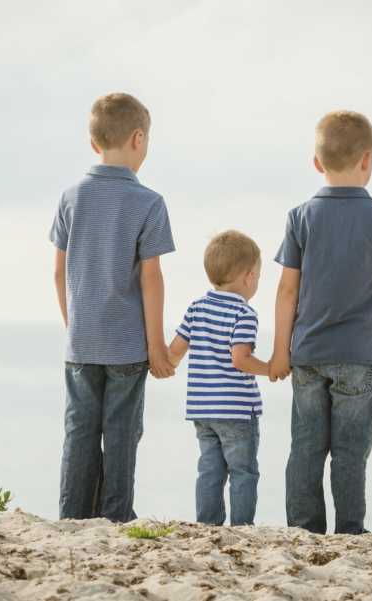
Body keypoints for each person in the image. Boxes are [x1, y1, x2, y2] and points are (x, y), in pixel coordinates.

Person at [269, 110, 372, 534]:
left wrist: (281, 350)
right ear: (368, 160)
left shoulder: (300, 217)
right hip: (358, 357)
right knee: (351, 452)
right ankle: (350, 529)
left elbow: (286, 291)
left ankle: (303, 527)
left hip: (308, 356)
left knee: (306, 448)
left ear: (317, 163)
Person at [50, 92, 176, 522]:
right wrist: (157, 347)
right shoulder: (149, 203)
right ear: (139, 138)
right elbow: (151, 278)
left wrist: (75, 326)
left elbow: (58, 273)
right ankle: (116, 517)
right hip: (127, 346)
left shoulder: (71, 197)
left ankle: (72, 517)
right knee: (121, 434)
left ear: (94, 143)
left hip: (81, 343)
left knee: (79, 433)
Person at [168, 230, 269, 526]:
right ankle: (241, 527)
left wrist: (163, 364)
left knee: (210, 470)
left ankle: (207, 524)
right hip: (236, 410)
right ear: (249, 277)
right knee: (243, 471)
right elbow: (241, 359)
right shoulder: (244, 313)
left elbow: (175, 351)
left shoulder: (196, 308)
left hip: (203, 409)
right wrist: (271, 369)